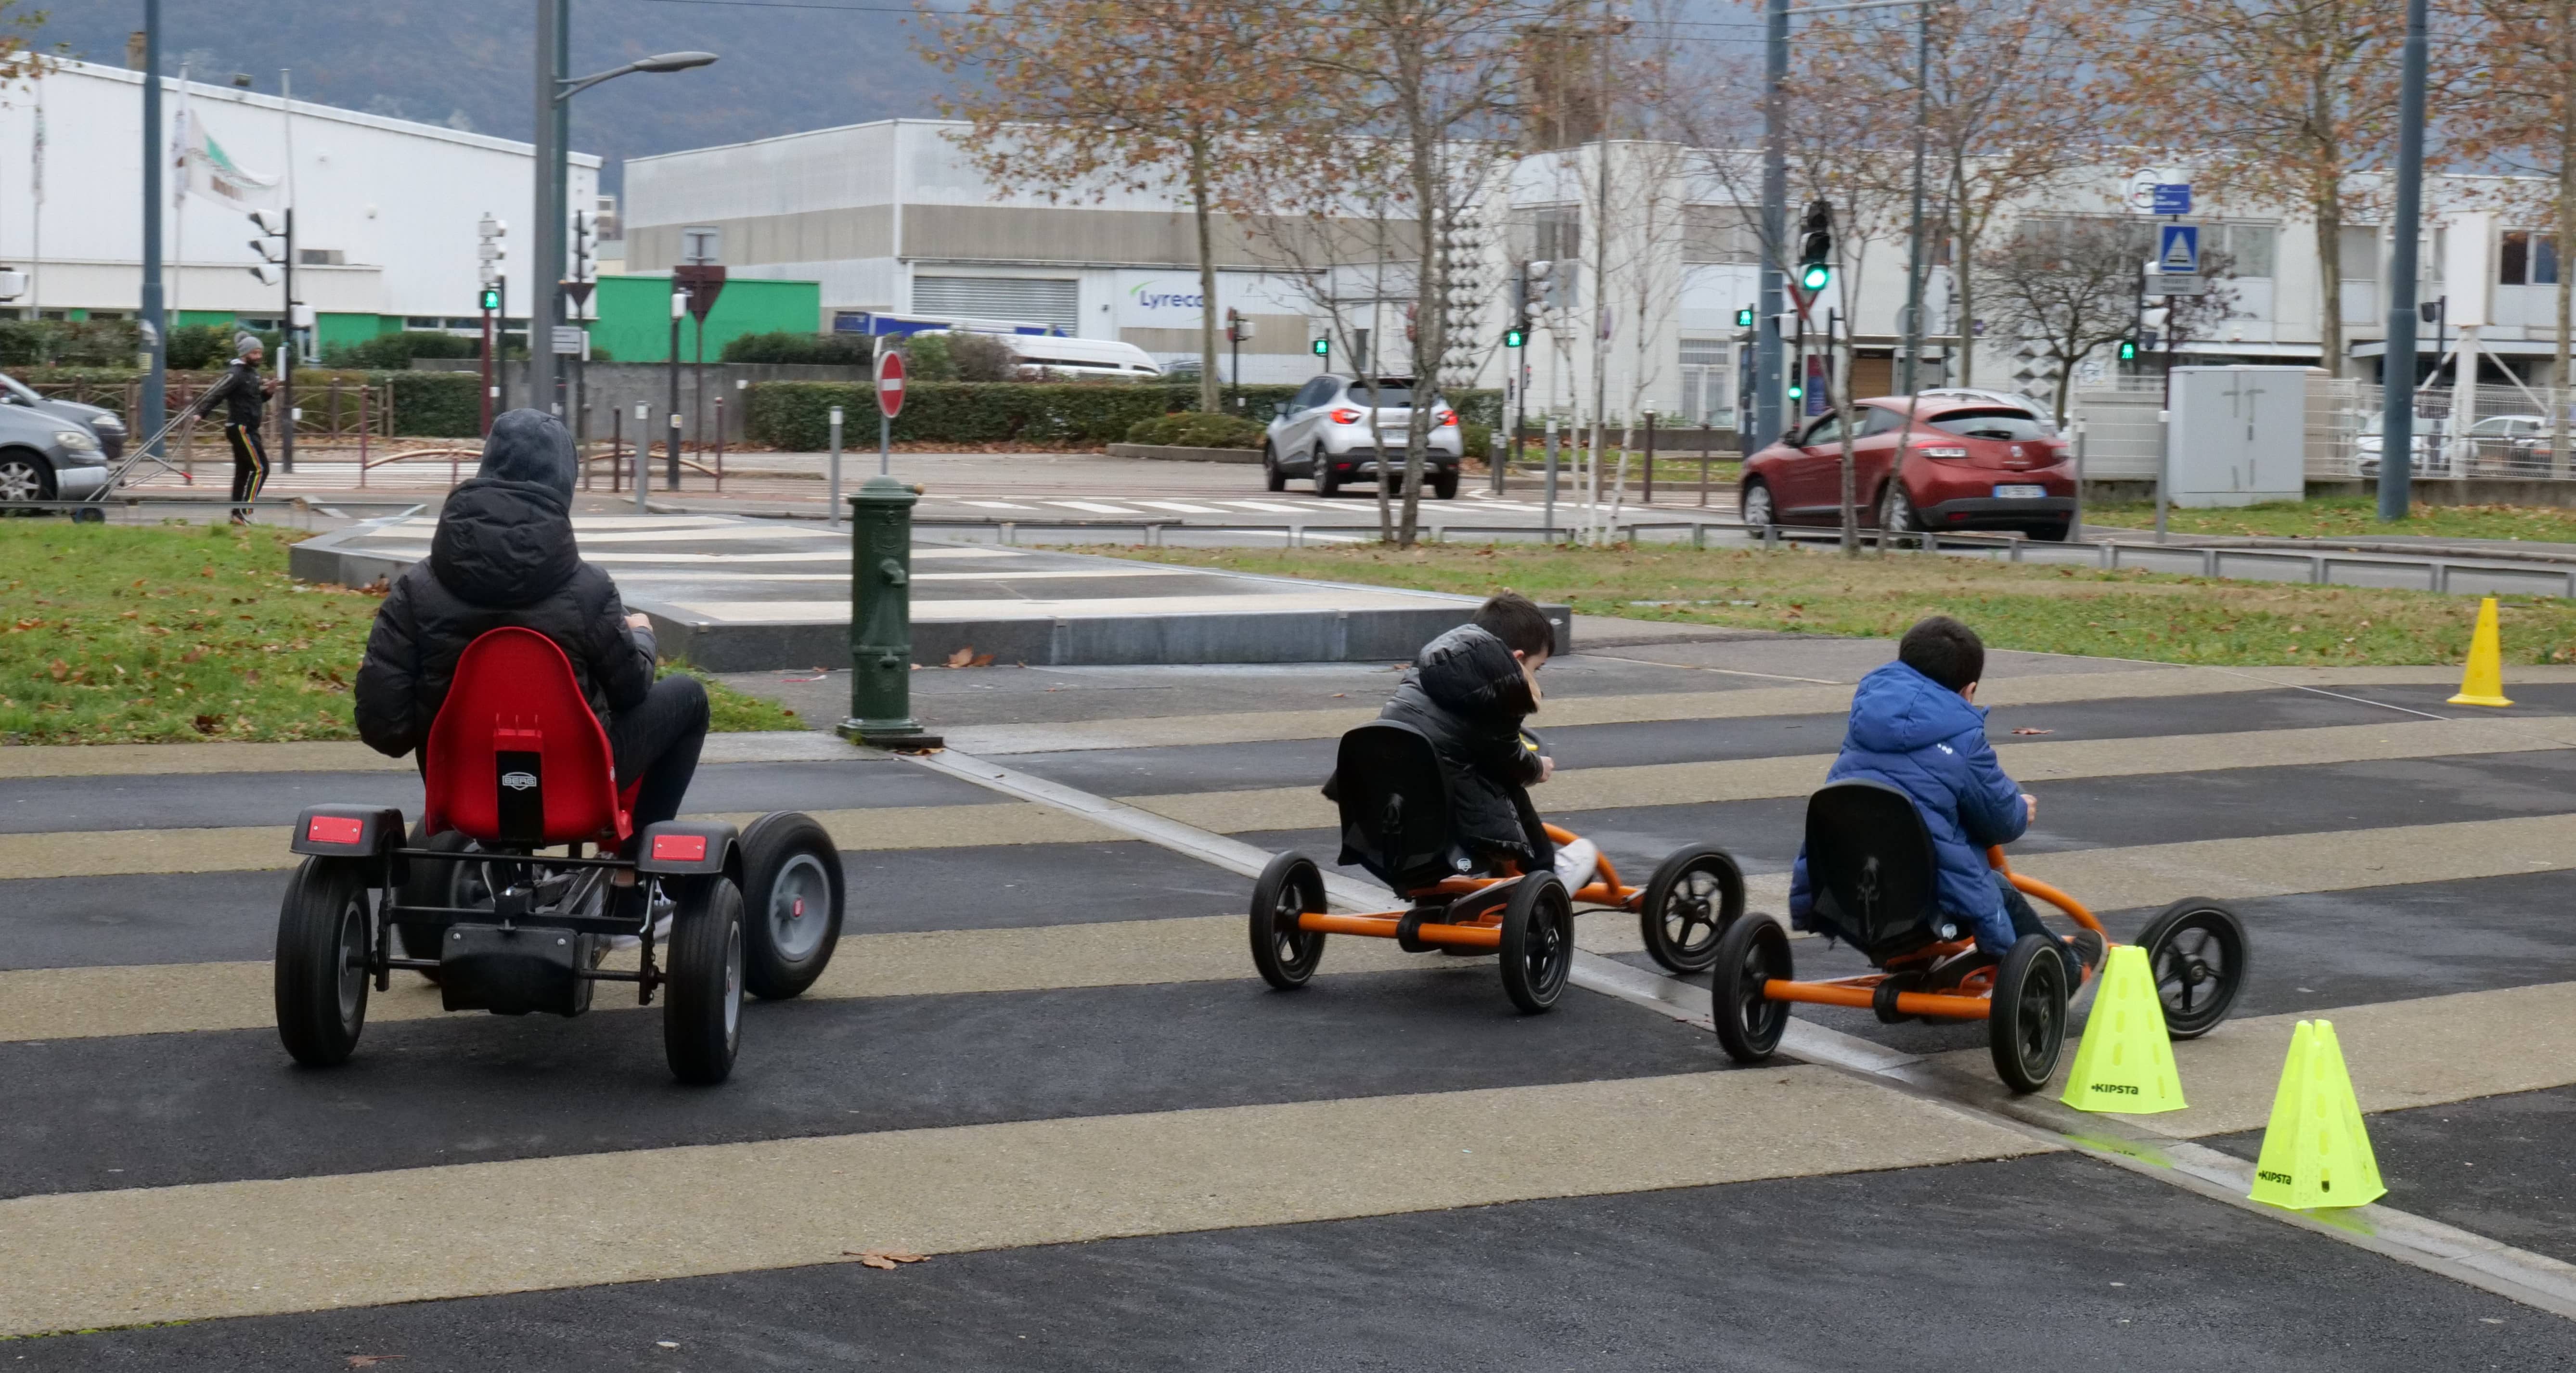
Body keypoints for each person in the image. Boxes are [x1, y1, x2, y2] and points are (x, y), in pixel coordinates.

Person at [353, 409, 709, 901]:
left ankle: (496, 875)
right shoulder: (589, 591)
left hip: (465, 793)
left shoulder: (417, 590)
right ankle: (634, 877)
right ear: (562, 485)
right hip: (575, 792)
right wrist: (641, 637)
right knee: (689, 698)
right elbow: (631, 691)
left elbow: (383, 727)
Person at [1788, 616, 2101, 986]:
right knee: (1996, 889)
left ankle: (1912, 959)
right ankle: (2064, 967)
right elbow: (2001, 820)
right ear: (1968, 691)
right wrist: (2021, 807)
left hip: (1848, 896)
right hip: (1924, 911)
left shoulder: (1866, 718)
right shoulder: (1965, 739)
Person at [1343, 590, 1594, 887]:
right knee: (1508, 784)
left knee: (1471, 769)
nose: (1536, 679)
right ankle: (1546, 872)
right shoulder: (1498, 693)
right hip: (1455, 830)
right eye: (1536, 670)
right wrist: (1538, 768)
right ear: (1517, 660)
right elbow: (1509, 758)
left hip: (1390, 827)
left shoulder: (1425, 670)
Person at [202, 335, 274, 525]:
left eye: (260, 352)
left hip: (249, 428)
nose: (259, 356)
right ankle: (245, 511)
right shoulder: (236, 374)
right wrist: (200, 413)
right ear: (244, 354)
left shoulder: (252, 374)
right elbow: (217, 394)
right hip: (241, 428)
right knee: (261, 468)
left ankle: (237, 515)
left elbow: (254, 400)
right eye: (255, 353)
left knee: (243, 471)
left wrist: (268, 393)